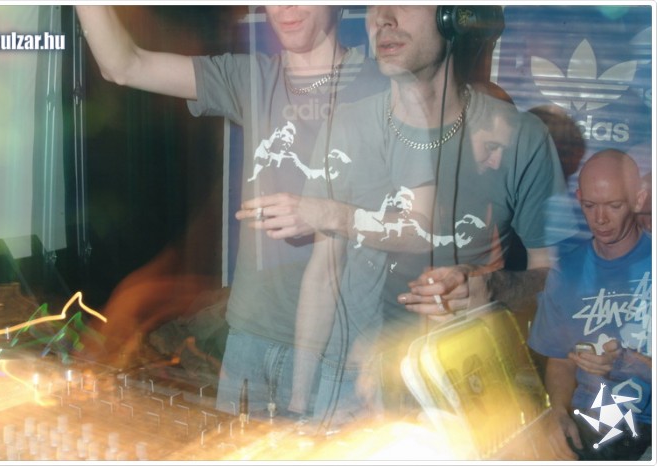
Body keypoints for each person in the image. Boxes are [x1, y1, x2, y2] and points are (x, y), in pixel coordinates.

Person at [237, 5, 566, 428]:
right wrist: (300, 403)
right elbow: (323, 273)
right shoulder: (346, 126)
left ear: (453, 16)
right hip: (354, 381)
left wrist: (492, 287)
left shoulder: (519, 138)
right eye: (374, 5)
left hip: (466, 383)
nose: (383, 18)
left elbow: (554, 277)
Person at [75, 5, 388, 419]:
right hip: (248, 342)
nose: (286, 7)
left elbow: (419, 226)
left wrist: (328, 214)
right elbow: (123, 65)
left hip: (338, 350)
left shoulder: (385, 86)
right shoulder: (251, 77)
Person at [528, 149, 651, 461]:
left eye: (614, 205)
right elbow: (560, 360)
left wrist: (629, 363)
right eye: (590, 206)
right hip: (591, 420)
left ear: (638, 199)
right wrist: (558, 412)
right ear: (579, 198)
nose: (600, 219)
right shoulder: (566, 271)